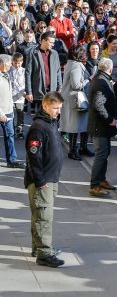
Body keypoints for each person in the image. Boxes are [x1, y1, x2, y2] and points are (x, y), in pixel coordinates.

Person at [25, 91, 65, 268]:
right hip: (43, 181)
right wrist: (40, 181)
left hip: (51, 178)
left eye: (60, 108)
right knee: (44, 217)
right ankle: (44, 253)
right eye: (55, 108)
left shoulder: (50, 122)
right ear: (45, 105)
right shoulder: (39, 127)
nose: (58, 111)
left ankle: (38, 248)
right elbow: (34, 156)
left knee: (40, 215)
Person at [87, 58, 117, 197]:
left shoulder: (101, 79)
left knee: (105, 153)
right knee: (101, 154)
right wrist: (110, 119)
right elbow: (98, 105)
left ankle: (101, 179)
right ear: (110, 69)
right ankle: (94, 185)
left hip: (101, 126)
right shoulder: (101, 81)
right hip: (99, 126)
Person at [24, 31, 62, 111]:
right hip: (39, 91)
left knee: (53, 116)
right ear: (44, 41)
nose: (53, 45)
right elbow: (28, 73)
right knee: (41, 117)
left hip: (52, 91)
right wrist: (29, 92)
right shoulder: (32, 53)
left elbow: (58, 72)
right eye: (51, 42)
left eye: (53, 43)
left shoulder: (54, 54)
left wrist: (60, 88)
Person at [0, 54, 25, 168]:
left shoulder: (7, 75)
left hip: (8, 110)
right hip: (1, 112)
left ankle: (12, 160)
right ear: (3, 64)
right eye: (10, 63)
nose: (11, 64)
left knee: (10, 135)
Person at [9, 52, 26, 139]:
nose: (17, 65)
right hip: (10, 96)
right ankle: (11, 129)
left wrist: (26, 92)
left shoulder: (24, 71)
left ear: (22, 62)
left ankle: (19, 130)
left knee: (20, 113)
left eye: (19, 63)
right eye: (15, 63)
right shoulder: (9, 71)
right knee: (11, 113)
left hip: (20, 96)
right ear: (12, 62)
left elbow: (26, 83)